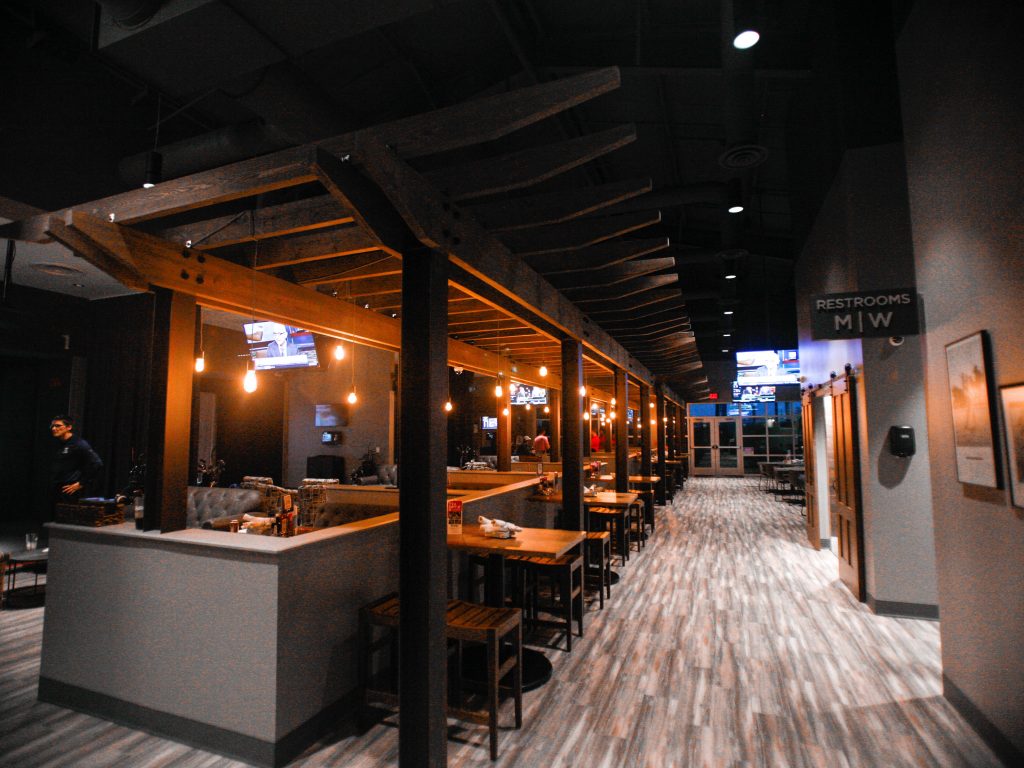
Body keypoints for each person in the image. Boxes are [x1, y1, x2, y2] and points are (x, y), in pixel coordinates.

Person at [50, 415, 103, 505]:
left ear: (69, 427)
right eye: (52, 426)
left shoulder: (79, 444)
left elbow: (97, 463)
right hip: (56, 487)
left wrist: (81, 483)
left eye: (58, 426)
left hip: (69, 490)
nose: (54, 428)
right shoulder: (58, 443)